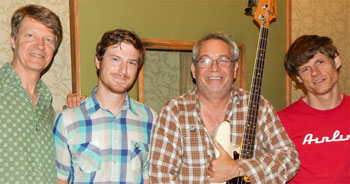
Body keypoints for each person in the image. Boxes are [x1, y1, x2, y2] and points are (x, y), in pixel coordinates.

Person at [148, 32, 300, 183]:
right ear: (194, 70)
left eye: (223, 60)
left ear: (235, 69)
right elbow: (160, 175)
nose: (214, 67)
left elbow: (289, 159)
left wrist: (239, 168)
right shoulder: (174, 111)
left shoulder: (259, 107)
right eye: (205, 60)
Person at [54, 29, 157, 184]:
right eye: (115, 59)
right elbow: (59, 180)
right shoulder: (68, 120)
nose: (123, 70)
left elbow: (150, 178)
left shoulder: (151, 119)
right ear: (98, 61)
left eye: (131, 63)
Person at [0, 4, 62, 183]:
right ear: (13, 39)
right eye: (30, 35)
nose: (40, 46)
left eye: (48, 40)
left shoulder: (49, 109)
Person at [278, 35, 350, 183]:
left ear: (336, 61)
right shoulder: (280, 123)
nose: (315, 72)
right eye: (305, 69)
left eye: (320, 62)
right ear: (298, 78)